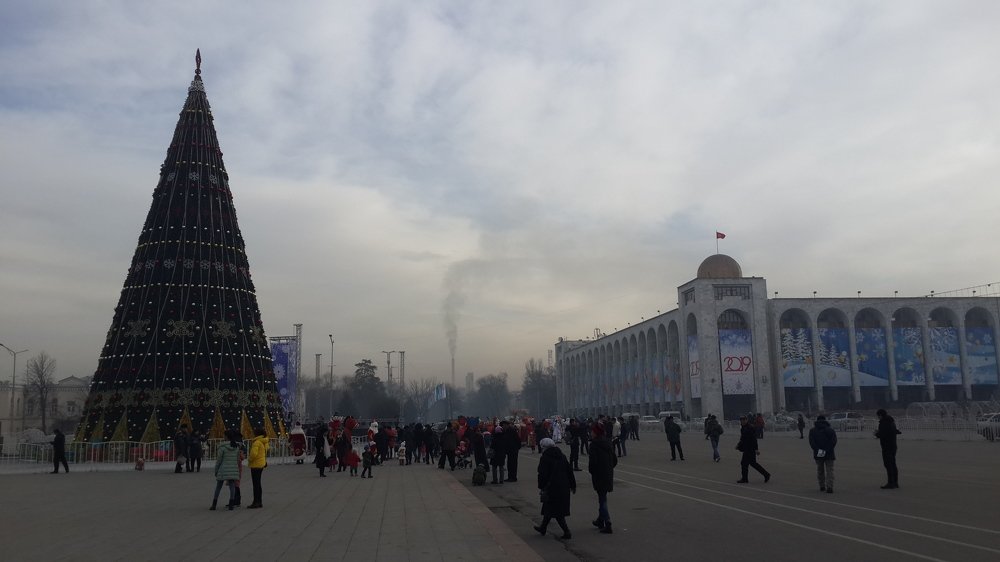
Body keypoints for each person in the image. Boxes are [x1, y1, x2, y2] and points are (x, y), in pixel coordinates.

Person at [533, 438, 576, 540]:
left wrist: (541, 486)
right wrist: (573, 485)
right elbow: (569, 471)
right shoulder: (562, 456)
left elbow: (542, 474)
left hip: (552, 487)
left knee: (556, 511)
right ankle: (543, 527)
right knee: (549, 508)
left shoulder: (545, 458)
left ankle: (567, 531)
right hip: (563, 486)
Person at [588, 422, 616, 534]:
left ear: (595, 433)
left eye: (592, 431)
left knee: (602, 499)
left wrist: (593, 471)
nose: (591, 433)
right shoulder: (608, 443)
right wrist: (608, 468)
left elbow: (593, 463)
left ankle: (608, 523)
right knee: (602, 496)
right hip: (608, 474)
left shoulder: (594, 445)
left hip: (599, 475)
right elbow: (614, 460)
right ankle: (600, 520)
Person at [211, 431, 241, 510]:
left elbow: (219, 460)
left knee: (218, 486)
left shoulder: (222, 447)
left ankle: (214, 504)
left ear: (226, 437)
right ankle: (231, 504)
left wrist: (216, 470)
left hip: (223, 469)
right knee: (232, 486)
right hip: (233, 469)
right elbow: (237, 460)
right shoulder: (236, 447)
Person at [736, 415, 770, 484]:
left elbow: (754, 439)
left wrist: (756, 449)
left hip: (750, 449)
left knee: (744, 463)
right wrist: (738, 444)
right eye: (741, 420)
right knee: (753, 464)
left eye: (743, 420)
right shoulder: (743, 428)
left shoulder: (750, 428)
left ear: (746, 420)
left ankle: (745, 479)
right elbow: (742, 438)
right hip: (746, 448)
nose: (742, 422)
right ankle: (766, 474)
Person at [809, 415, 837, 493]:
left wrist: (819, 450)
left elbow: (812, 443)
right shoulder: (830, 430)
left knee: (820, 470)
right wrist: (826, 450)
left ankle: (822, 486)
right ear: (825, 420)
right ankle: (830, 487)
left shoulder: (812, 431)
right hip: (829, 453)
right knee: (830, 470)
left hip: (818, 453)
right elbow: (833, 442)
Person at [874, 409, 901, 489]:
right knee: (893, 464)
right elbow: (894, 431)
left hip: (887, 447)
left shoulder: (884, 422)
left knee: (888, 464)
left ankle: (891, 483)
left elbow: (883, 434)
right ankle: (895, 482)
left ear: (880, 415)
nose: (878, 418)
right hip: (893, 446)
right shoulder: (891, 421)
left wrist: (877, 434)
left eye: (878, 416)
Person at [247, 427, 268, 509]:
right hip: (261, 463)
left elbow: (253, 454)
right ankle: (259, 501)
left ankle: (256, 501)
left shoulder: (256, 442)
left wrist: (249, 459)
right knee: (258, 484)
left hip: (255, 464)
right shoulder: (264, 441)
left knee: (255, 484)